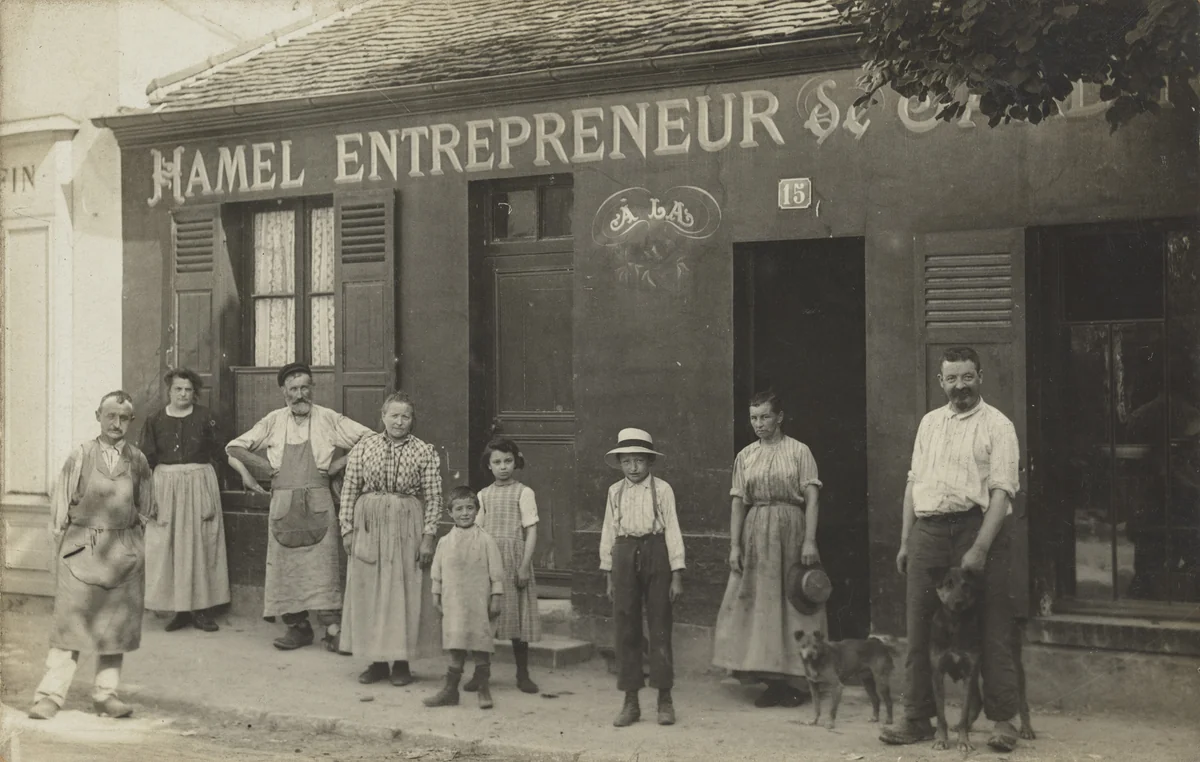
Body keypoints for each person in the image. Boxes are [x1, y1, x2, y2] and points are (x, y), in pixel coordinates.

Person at [879, 346, 1022, 753]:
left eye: (967, 377)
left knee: (993, 626)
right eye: (952, 378)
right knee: (919, 625)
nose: (960, 386)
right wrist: (907, 540)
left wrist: (979, 547)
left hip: (977, 531)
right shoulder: (929, 423)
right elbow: (912, 483)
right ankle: (916, 717)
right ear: (941, 382)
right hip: (928, 532)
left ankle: (1002, 720)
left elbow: (1001, 492)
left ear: (980, 376)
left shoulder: (999, 426)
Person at [225, 362, 372, 651]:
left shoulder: (328, 418)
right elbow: (234, 448)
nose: (300, 394)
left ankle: (333, 628)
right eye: (293, 389)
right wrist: (261, 470)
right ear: (284, 392)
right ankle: (298, 627)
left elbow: (369, 439)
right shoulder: (273, 421)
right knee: (286, 570)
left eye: (305, 387)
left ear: (312, 388)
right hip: (282, 504)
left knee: (323, 569)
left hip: (319, 501)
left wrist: (339, 464)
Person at [29, 391, 155, 720]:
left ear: (131, 421)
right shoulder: (80, 456)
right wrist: (64, 547)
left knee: (116, 629)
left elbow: (146, 508)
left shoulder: (138, 460)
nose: (116, 423)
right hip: (80, 551)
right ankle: (50, 696)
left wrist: (129, 543)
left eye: (124, 418)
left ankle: (105, 695)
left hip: (122, 554)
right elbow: (59, 510)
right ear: (98, 415)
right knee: (68, 626)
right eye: (110, 416)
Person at [712, 390, 825, 708]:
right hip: (756, 530)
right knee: (761, 602)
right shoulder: (746, 456)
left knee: (794, 602)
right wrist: (734, 545)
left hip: (791, 528)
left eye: (765, 417)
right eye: (753, 418)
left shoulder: (799, 451)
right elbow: (738, 503)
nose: (759, 424)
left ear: (779, 417)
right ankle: (771, 680)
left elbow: (812, 499)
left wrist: (810, 540)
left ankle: (798, 681)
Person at [338, 391, 442, 686]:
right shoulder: (364, 447)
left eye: (405, 416)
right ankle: (377, 662)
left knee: (402, 592)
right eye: (393, 415)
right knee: (370, 590)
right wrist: (347, 529)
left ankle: (401, 662)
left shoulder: (424, 451)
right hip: (369, 523)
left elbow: (434, 497)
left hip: (406, 522)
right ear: (383, 416)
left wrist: (428, 538)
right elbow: (349, 489)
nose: (399, 421)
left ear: (412, 420)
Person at [599, 428, 685, 727]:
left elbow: (672, 529)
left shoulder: (662, 490)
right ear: (620, 463)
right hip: (623, 553)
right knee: (626, 628)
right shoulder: (614, 492)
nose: (633, 467)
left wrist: (676, 573)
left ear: (650, 462)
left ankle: (664, 698)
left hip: (656, 551)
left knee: (660, 624)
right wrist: (609, 574)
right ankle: (631, 700)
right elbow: (609, 531)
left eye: (639, 460)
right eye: (627, 461)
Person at [140, 368, 231, 632]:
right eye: (178, 389)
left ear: (195, 393)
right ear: (169, 391)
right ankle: (179, 610)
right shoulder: (155, 420)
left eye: (188, 390)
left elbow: (221, 451)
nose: (183, 394)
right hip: (165, 486)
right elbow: (146, 460)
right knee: (169, 545)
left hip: (199, 483)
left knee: (200, 545)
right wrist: (147, 496)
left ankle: (201, 610)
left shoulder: (206, 417)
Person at [466, 438, 541, 695]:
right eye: (496, 462)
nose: (503, 467)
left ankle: (523, 673)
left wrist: (524, 566)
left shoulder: (524, 492)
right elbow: (476, 530)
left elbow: (531, 531)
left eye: (508, 461)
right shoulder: (483, 495)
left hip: (514, 559)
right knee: (485, 617)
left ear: (515, 462)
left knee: (516, 618)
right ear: (488, 465)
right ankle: (480, 672)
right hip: (489, 560)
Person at [424, 486, 505, 710]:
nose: (465, 513)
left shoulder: (486, 540)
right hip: (454, 602)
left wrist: (496, 596)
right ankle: (450, 691)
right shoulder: (444, 542)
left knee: (480, 643)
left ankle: (483, 688)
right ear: (450, 513)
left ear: (477, 510)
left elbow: (496, 571)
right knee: (456, 643)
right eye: (459, 509)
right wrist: (435, 594)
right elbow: (437, 571)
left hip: (479, 601)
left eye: (470, 508)